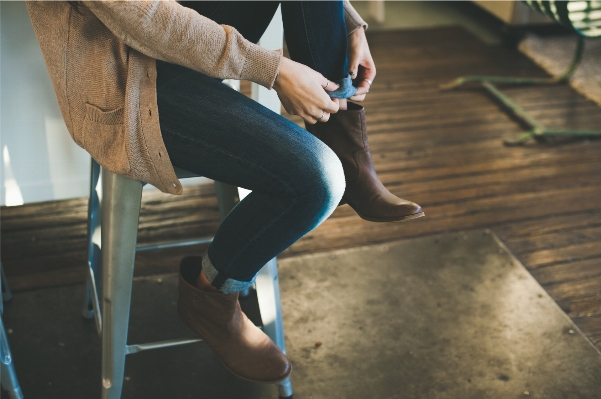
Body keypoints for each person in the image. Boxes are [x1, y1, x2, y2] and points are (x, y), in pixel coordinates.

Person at [27, 0, 423, 385]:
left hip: (189, 44)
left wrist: (347, 25)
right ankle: (210, 297)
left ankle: (344, 141)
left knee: (327, 173)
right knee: (316, 182)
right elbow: (141, 15)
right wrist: (273, 70)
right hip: (129, 80)